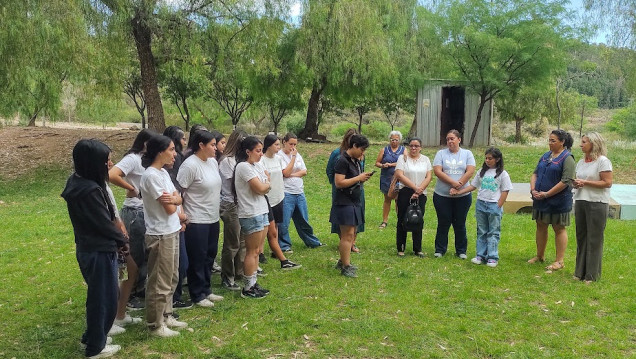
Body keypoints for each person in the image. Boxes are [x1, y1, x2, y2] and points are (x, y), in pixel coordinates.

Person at [62, 139, 127, 358]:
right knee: (104, 298)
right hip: (97, 250)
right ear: (93, 162)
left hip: (91, 248)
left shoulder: (79, 181)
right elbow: (103, 224)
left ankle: (93, 337)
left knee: (100, 296)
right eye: (106, 160)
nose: (110, 164)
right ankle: (95, 348)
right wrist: (123, 241)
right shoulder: (88, 191)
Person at [140, 135, 188, 337]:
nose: (175, 154)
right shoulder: (151, 176)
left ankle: (167, 315)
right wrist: (176, 201)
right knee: (160, 280)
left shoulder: (163, 173)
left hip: (172, 230)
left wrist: (176, 200)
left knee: (172, 276)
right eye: (171, 149)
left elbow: (177, 195)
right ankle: (155, 324)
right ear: (159, 152)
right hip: (160, 233)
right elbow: (170, 207)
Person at [108, 128, 155, 310]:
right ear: (144, 143)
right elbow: (112, 174)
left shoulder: (147, 161)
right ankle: (129, 295)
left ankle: (139, 288)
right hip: (134, 211)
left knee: (144, 253)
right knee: (135, 254)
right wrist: (133, 188)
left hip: (145, 210)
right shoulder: (133, 158)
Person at [177, 130, 224, 307]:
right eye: (212, 145)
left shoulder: (212, 162)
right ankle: (197, 294)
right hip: (196, 219)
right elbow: (179, 191)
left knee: (210, 254)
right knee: (198, 256)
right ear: (201, 146)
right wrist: (182, 216)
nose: (216, 148)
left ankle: (206, 289)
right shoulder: (190, 165)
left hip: (212, 216)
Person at [451, 148, 512, 267]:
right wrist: (459, 192)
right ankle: (480, 255)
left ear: (497, 159)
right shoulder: (481, 172)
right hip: (481, 204)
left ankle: (492, 257)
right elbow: (473, 186)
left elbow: (505, 190)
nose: (487, 160)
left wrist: (499, 204)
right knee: (482, 231)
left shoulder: (502, 174)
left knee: (493, 231)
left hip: (494, 205)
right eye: (486, 158)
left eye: (490, 158)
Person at [529, 129, 575, 272]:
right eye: (549, 140)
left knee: (558, 228)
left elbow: (566, 181)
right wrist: (533, 189)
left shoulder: (568, 158)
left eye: (553, 140)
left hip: (558, 201)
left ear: (562, 142)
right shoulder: (546, 155)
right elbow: (535, 173)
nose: (550, 143)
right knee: (540, 225)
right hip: (540, 199)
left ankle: (559, 261)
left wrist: (547, 194)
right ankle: (539, 255)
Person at [233, 136, 271, 298]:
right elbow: (260, 188)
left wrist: (266, 184)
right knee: (252, 251)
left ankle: (254, 283)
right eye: (258, 151)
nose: (261, 154)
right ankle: (248, 287)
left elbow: (265, 183)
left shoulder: (255, 166)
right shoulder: (243, 167)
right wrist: (267, 184)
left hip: (261, 210)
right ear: (247, 151)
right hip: (250, 212)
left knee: (257, 250)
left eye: (261, 150)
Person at [573, 132, 613, 282]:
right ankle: (579, 272)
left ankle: (591, 274)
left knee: (594, 238)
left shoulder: (603, 161)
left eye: (584, 142)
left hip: (597, 203)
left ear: (594, 144)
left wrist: (585, 183)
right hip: (581, 200)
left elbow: (607, 182)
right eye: (581, 142)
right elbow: (580, 179)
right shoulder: (581, 161)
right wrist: (576, 183)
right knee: (581, 236)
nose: (581, 145)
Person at [331, 134, 372, 277]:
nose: (363, 153)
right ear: (354, 146)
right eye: (362, 149)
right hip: (344, 202)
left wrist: (361, 179)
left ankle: (343, 261)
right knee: (347, 235)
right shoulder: (342, 160)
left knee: (351, 233)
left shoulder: (354, 161)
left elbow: (353, 180)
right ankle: (345, 266)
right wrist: (358, 178)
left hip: (354, 201)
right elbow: (339, 182)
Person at [432, 130, 476, 259]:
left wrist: (460, 184)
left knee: (460, 223)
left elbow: (470, 171)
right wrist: (453, 183)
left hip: (462, 197)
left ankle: (461, 250)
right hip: (442, 196)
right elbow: (438, 171)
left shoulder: (467, 153)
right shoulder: (441, 153)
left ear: (459, 140)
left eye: (452, 138)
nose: (450, 141)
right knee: (443, 222)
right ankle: (440, 249)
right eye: (447, 139)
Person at [261, 134, 302, 269]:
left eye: (279, 144)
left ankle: (275, 250)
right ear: (268, 146)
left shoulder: (278, 159)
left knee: (276, 225)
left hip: (279, 196)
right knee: (266, 228)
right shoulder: (262, 160)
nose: (279, 147)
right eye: (276, 145)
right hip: (268, 198)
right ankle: (261, 252)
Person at [277, 133, 324, 252]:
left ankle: (312, 242)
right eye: (291, 144)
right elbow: (285, 173)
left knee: (303, 219)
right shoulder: (280, 156)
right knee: (284, 222)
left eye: (295, 144)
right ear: (284, 142)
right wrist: (292, 158)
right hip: (286, 192)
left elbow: (304, 171)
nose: (293, 147)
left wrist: (292, 174)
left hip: (299, 192)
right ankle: (284, 245)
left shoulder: (298, 155)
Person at [163, 126, 192, 310]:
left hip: (177, 221)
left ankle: (175, 298)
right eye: (172, 149)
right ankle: (170, 302)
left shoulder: (168, 171)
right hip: (167, 226)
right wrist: (181, 216)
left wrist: (179, 207)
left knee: (181, 263)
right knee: (170, 268)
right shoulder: (155, 175)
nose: (184, 143)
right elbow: (168, 203)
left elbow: (178, 195)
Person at [326, 128, 365, 252]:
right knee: (345, 221)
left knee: (356, 219)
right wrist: (339, 184)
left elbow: (359, 171)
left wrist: (360, 179)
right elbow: (331, 172)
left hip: (357, 191)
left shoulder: (359, 156)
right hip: (343, 192)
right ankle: (345, 244)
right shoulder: (339, 155)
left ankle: (351, 242)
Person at [218, 130, 247, 291]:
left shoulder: (241, 161)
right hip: (230, 204)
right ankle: (227, 276)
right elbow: (235, 184)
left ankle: (239, 271)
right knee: (232, 242)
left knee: (242, 240)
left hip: (242, 204)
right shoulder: (227, 161)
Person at [394, 137, 432, 257]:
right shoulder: (402, 158)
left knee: (418, 220)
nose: (413, 148)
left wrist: (419, 190)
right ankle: (401, 247)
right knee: (402, 219)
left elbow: (428, 176)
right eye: (411, 146)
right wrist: (415, 188)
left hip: (421, 193)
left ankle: (417, 248)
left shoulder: (425, 159)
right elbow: (399, 175)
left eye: (416, 146)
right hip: (405, 191)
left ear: (420, 147)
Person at [375, 130, 405, 229]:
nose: (394, 141)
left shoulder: (403, 150)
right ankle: (384, 221)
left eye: (396, 140)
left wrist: (391, 164)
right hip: (386, 177)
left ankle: (400, 220)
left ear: (399, 140)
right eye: (392, 139)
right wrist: (383, 165)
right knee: (387, 199)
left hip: (399, 178)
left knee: (398, 200)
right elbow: (377, 163)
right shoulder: (384, 150)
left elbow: (405, 162)